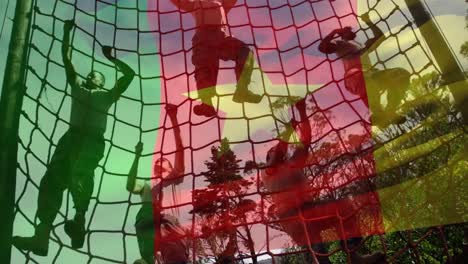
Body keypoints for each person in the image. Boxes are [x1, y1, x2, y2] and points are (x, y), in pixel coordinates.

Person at [12, 20, 135, 256]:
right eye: (90, 74)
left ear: (103, 82)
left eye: (96, 75)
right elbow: (66, 59)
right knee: (52, 181)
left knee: (81, 175)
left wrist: (112, 59)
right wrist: (66, 33)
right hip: (71, 138)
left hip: (92, 140)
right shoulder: (77, 87)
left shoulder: (107, 96)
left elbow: (129, 75)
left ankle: (79, 220)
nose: (91, 76)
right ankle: (42, 236)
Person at [262, 117, 385, 263]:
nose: (279, 152)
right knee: (317, 246)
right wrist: (288, 131)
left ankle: (353, 255)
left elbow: (306, 141)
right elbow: (276, 156)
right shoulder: (268, 171)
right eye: (273, 151)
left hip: (308, 209)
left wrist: (302, 113)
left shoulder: (293, 164)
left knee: (343, 207)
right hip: (291, 217)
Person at [169, 0, 262, 117]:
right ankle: (207, 104)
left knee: (246, 53)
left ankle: (242, 90)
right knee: (204, 70)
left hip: (221, 36)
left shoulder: (222, 3)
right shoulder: (195, 4)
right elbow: (179, 2)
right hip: (203, 37)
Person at [318, 13, 410, 128]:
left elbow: (380, 36)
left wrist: (368, 21)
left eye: (351, 30)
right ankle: (378, 112)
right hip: (353, 77)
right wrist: (335, 31)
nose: (352, 31)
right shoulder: (340, 45)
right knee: (363, 77)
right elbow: (322, 47)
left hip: (372, 74)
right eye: (348, 30)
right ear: (343, 34)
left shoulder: (362, 47)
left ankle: (390, 111)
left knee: (402, 74)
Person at [127, 104, 189, 264]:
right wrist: (136, 156)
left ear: (170, 167)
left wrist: (174, 119)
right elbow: (130, 185)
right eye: (157, 160)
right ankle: (149, 259)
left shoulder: (174, 176)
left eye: (164, 160)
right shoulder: (147, 184)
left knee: (176, 259)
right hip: (147, 220)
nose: (159, 160)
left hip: (168, 221)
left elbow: (180, 149)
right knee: (145, 261)